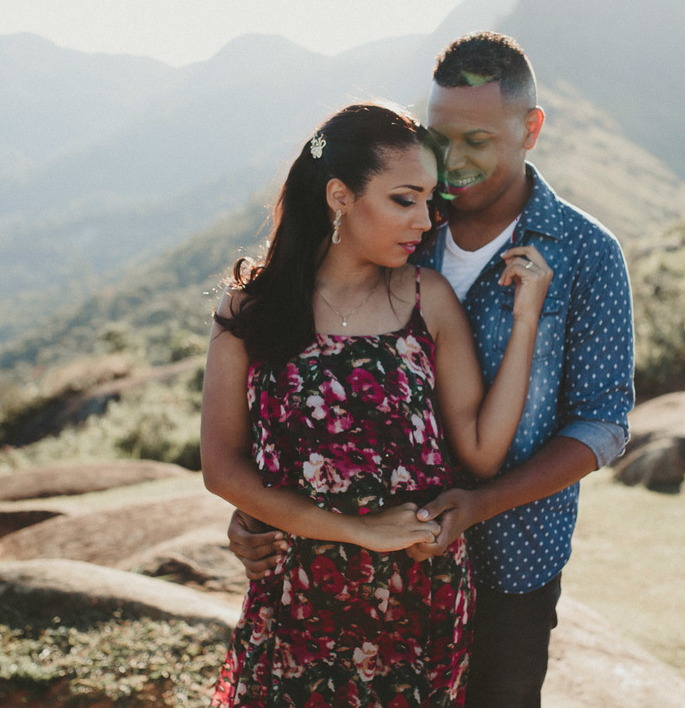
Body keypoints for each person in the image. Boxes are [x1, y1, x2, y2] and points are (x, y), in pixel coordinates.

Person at [229, 32, 636, 708]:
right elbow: (313, 377)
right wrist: (261, 509)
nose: (456, 164)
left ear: (531, 129)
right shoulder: (400, 222)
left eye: (480, 140)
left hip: (513, 561)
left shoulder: (588, 254)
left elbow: (604, 424)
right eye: (443, 139)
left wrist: (480, 504)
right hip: (368, 567)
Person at [200, 101, 552, 707]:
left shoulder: (427, 298)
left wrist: (527, 320)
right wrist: (361, 533)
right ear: (340, 196)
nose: (426, 219)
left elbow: (483, 451)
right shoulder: (250, 311)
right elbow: (222, 468)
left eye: (429, 199)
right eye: (404, 199)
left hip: (421, 596)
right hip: (300, 596)